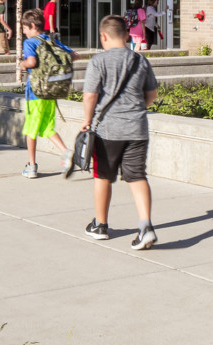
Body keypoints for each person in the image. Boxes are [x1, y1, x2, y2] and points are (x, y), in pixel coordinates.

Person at [80, 14, 160, 249]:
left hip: (108, 130)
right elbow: (152, 94)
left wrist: (87, 120)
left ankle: (100, 225)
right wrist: (136, 110)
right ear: (126, 35)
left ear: (103, 36)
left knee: (103, 175)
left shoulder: (98, 61)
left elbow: (90, 95)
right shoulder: (140, 60)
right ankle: (146, 226)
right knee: (137, 176)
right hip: (137, 128)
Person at [18, 8, 75, 178]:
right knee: (47, 127)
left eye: (25, 29)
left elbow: (32, 61)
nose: (24, 32)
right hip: (51, 91)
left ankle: (32, 165)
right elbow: (74, 55)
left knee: (31, 130)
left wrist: (22, 64)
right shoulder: (52, 41)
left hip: (35, 92)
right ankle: (66, 152)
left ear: (33, 26)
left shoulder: (30, 43)